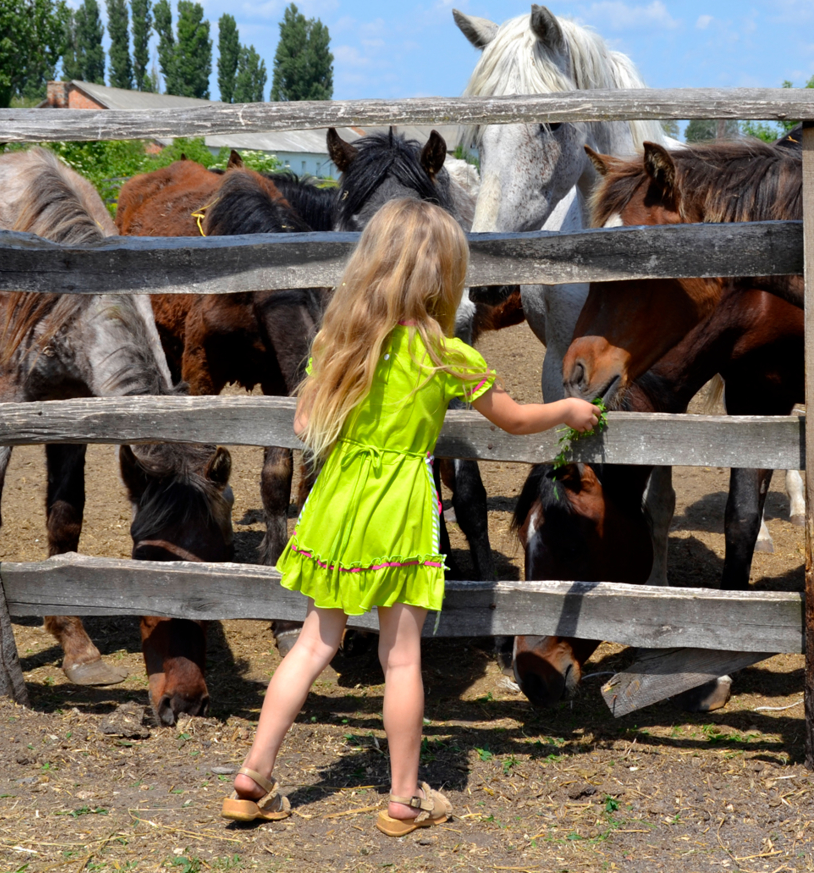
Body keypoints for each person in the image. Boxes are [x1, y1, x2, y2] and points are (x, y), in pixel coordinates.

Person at [221, 198, 601, 836]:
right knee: (401, 658)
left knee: (316, 641)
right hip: (400, 504)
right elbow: (512, 421)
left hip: (338, 501)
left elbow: (305, 424)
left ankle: (252, 776)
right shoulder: (449, 354)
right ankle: (404, 800)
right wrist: (566, 411)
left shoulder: (337, 343)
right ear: (444, 277)